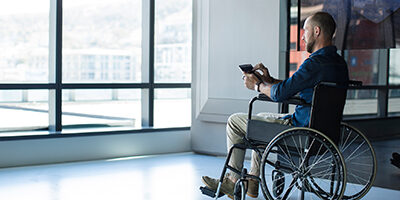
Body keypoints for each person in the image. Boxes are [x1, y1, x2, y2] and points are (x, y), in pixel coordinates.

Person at [201, 11, 349, 199]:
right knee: (262, 119)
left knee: (234, 121)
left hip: (301, 131)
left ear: (317, 31)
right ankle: (253, 181)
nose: (302, 36)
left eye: (305, 31)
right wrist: (269, 81)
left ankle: (231, 181)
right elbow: (295, 87)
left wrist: (257, 86)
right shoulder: (338, 63)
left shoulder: (315, 63)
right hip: (324, 132)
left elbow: (280, 94)